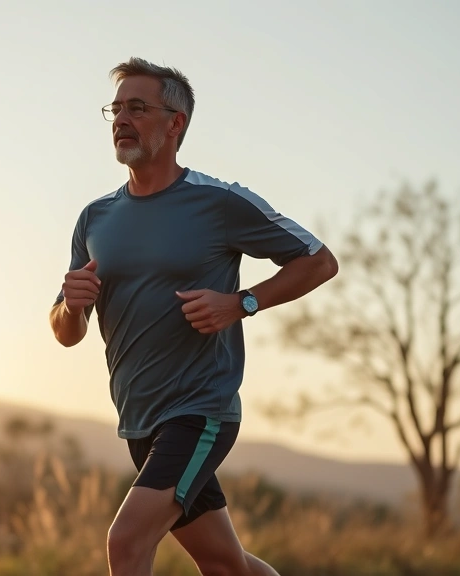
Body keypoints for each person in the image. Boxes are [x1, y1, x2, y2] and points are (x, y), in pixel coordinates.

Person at [49, 57, 338, 576]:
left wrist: (243, 302)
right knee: (227, 565)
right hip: (139, 418)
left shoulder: (218, 202)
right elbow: (68, 333)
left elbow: (319, 261)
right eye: (115, 109)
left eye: (137, 108)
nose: (121, 119)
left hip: (199, 411)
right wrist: (70, 305)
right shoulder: (95, 219)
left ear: (175, 122)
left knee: (127, 541)